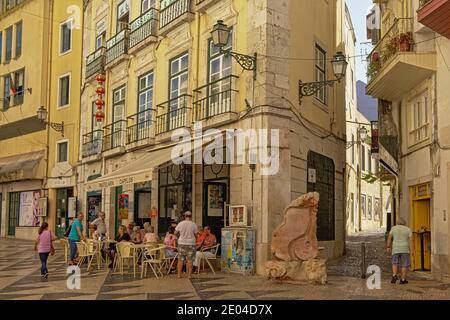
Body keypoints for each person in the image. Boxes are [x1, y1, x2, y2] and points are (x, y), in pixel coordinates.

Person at [387, 218, 415, 285]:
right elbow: (411, 241)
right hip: (405, 249)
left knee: (394, 262)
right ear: (404, 223)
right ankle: (403, 279)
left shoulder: (393, 228)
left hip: (395, 248)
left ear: (397, 222)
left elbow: (389, 237)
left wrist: (388, 246)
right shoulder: (408, 229)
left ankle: (394, 275)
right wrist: (412, 250)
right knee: (404, 264)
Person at [175, 211, 198, 279]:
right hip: (191, 243)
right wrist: (194, 239)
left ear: (184, 216)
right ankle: (189, 275)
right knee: (190, 260)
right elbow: (196, 234)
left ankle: (179, 275)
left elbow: (175, 232)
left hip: (181, 243)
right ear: (191, 216)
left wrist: (178, 238)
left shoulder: (180, 223)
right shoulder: (193, 224)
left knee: (180, 260)